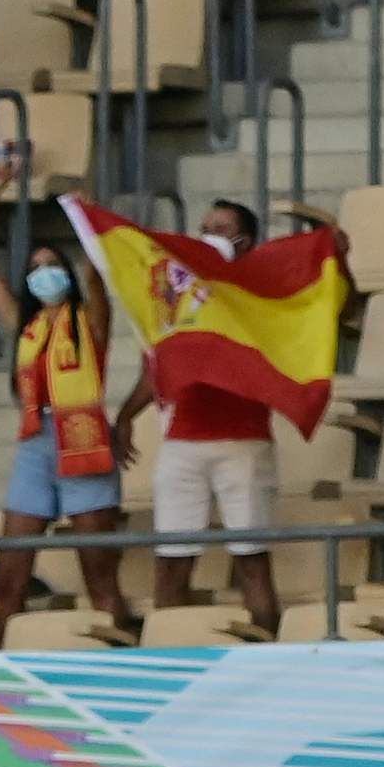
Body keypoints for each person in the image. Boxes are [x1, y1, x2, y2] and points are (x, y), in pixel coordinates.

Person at [0, 169, 124, 627]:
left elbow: (98, 272)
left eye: (52, 266)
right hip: (35, 440)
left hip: (83, 439)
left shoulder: (90, 318)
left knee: (99, 579)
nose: (45, 275)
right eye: (35, 269)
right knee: (9, 577)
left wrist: (87, 214)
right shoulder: (26, 324)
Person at [144, 196, 288, 630]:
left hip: (242, 440)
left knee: (250, 561)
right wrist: (124, 417)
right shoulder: (181, 288)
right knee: (171, 563)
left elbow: (331, 312)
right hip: (182, 440)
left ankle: (267, 657)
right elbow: (159, 357)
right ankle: (171, 657)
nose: (208, 235)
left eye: (221, 229)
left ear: (245, 241)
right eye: (204, 227)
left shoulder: (265, 289)